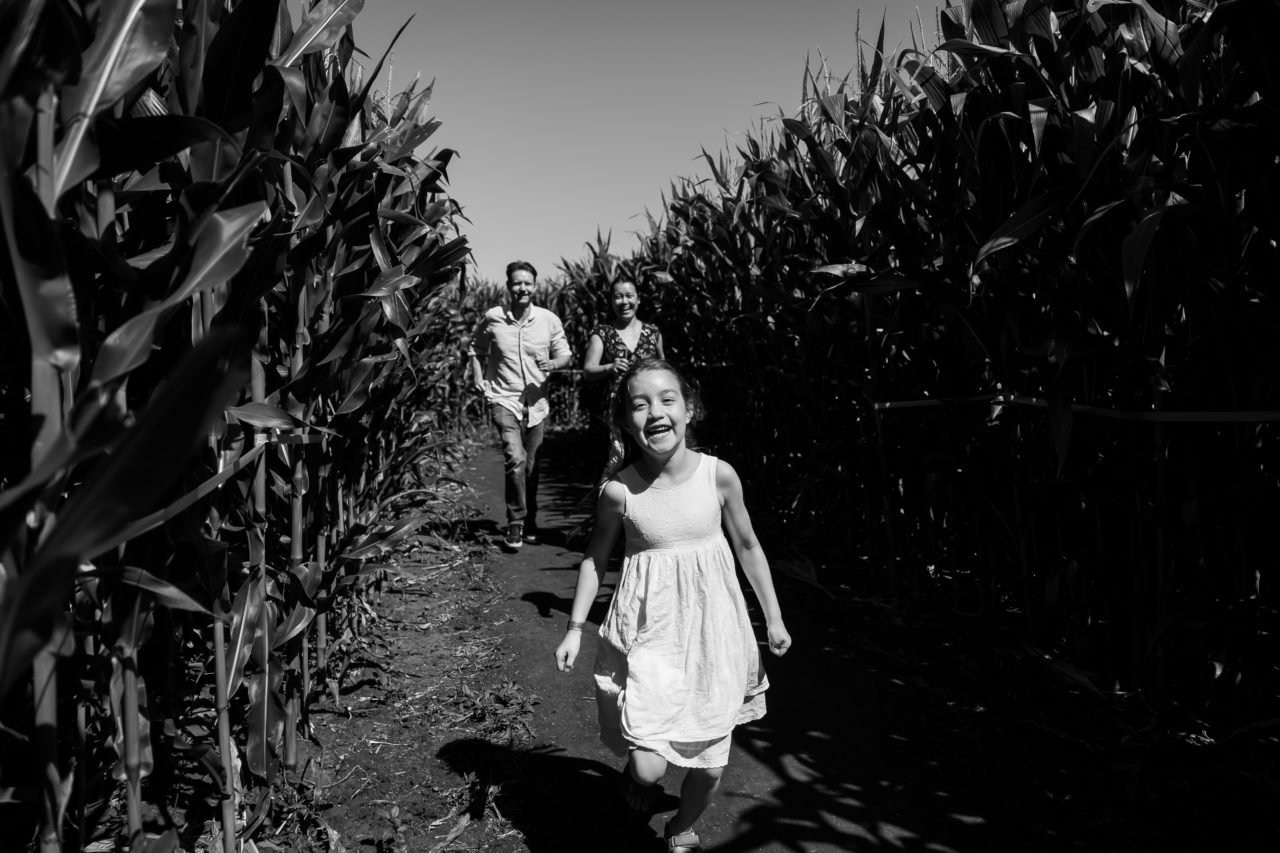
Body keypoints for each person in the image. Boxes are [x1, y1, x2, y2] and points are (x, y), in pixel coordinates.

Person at [554, 359, 792, 852]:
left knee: (710, 768)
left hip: (713, 634)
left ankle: (681, 827)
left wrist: (773, 616)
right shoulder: (620, 491)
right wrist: (575, 628)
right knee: (647, 765)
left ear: (690, 409)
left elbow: (748, 546)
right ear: (624, 421)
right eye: (639, 405)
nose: (655, 413)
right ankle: (637, 777)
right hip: (653, 634)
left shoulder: (719, 476)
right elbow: (596, 560)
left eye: (667, 400)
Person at [467, 260, 572, 550]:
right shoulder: (494, 318)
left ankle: (531, 519)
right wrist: (478, 376)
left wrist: (552, 363)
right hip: (504, 398)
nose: (522, 287)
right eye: (517, 282)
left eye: (527, 282)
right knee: (515, 457)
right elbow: (475, 349)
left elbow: (565, 354)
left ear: (535, 287)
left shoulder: (548, 320)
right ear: (508, 286)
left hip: (537, 403)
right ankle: (515, 522)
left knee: (531, 467)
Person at [582, 280, 664, 483]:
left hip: (647, 409)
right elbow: (588, 370)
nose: (624, 301)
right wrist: (610, 367)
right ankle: (609, 509)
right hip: (614, 414)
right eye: (618, 296)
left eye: (629, 296)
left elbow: (664, 369)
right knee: (615, 462)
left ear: (638, 299)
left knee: (648, 460)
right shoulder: (602, 333)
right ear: (611, 301)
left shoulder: (653, 333)